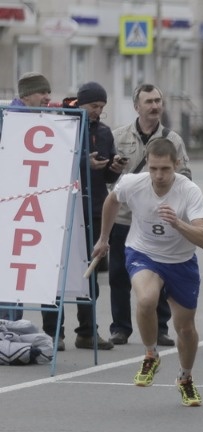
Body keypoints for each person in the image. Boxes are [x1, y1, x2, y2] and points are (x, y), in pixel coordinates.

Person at [93, 137, 203, 406]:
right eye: (153, 168)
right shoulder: (134, 183)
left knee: (186, 329)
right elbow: (112, 200)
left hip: (181, 261)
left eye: (165, 169)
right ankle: (150, 355)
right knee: (146, 299)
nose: (158, 175)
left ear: (177, 165)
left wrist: (178, 223)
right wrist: (104, 238)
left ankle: (185, 378)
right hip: (143, 253)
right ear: (146, 164)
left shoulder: (189, 191)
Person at [41, 81, 122, 351]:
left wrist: (113, 167)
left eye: (102, 107)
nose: (98, 111)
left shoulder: (104, 132)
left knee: (89, 274)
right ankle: (53, 334)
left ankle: (87, 331)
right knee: (54, 274)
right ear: (80, 104)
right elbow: (51, 166)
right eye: (94, 106)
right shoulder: (60, 126)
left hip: (94, 208)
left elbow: (108, 175)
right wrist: (83, 162)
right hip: (61, 209)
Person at [110, 83, 192, 347]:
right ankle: (120, 328)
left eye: (158, 101)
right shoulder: (118, 136)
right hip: (123, 217)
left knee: (161, 273)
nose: (155, 106)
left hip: (156, 219)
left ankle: (160, 328)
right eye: (149, 102)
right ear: (137, 106)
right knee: (118, 275)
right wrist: (112, 169)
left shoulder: (173, 139)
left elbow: (187, 175)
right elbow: (106, 179)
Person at [2, 72, 53, 321]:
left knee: (15, 270)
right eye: (42, 92)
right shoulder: (16, 120)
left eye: (48, 92)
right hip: (12, 206)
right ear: (27, 95)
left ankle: (11, 326)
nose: (47, 97)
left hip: (22, 207)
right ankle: (7, 328)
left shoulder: (30, 118)